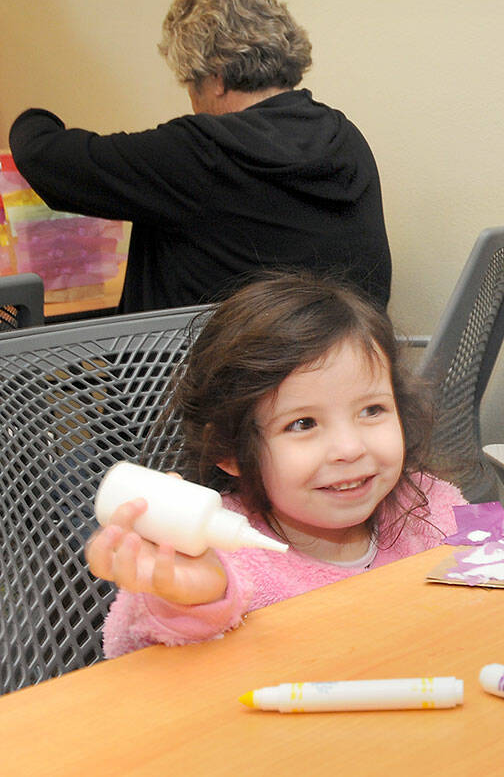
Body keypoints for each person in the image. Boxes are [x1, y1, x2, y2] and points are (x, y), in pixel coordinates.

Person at [86, 272, 464, 657]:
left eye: (372, 409)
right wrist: (185, 604)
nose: (350, 448)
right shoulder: (220, 557)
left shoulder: (430, 506)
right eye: (303, 424)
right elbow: (140, 662)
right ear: (229, 448)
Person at [7, 0, 391, 312]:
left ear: (217, 77)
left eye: (191, 83)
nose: (192, 102)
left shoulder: (204, 151)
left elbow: (46, 157)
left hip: (207, 386)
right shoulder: (345, 139)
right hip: (333, 377)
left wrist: (32, 116)